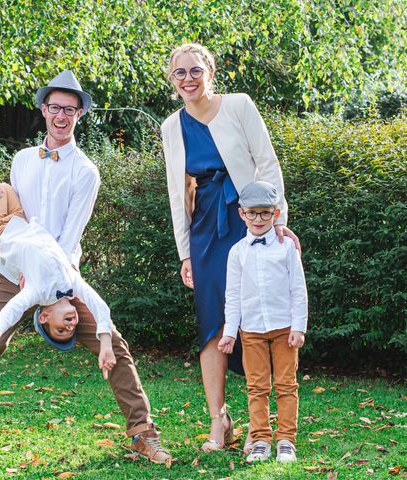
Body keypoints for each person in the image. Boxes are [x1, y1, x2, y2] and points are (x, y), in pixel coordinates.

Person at [0, 71, 171, 464]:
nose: (62, 116)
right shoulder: (20, 160)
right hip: (10, 274)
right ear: (44, 110)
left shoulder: (85, 171)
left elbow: (69, 237)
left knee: (113, 344)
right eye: (55, 108)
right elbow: (11, 210)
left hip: (59, 276)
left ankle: (142, 433)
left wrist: (55, 285)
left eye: (70, 110)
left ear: (80, 114)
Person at [160, 43, 300, 452]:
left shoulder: (239, 105)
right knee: (211, 324)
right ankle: (219, 421)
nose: (188, 79)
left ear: (210, 72)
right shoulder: (171, 127)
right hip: (205, 227)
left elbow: (267, 162)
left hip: (248, 221)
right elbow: (177, 192)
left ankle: (271, 424)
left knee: (259, 317)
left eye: (195, 70)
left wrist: (278, 222)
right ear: (172, 81)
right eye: (179, 73)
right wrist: (185, 250)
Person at [0, 182, 115, 376]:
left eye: (60, 330)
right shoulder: (72, 282)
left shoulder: (36, 291)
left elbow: (14, 308)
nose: (70, 326)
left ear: (44, 317)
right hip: (19, 222)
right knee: (5, 187)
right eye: (71, 330)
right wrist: (106, 344)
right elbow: (99, 305)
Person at [218, 181, 307, 463]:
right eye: (252, 213)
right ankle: (260, 439)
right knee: (257, 387)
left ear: (276, 213)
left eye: (265, 213)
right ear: (242, 213)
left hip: (284, 329)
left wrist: (298, 327)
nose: (258, 219)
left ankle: (286, 440)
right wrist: (230, 332)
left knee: (286, 384)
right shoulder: (237, 252)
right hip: (252, 331)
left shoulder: (286, 249)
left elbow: (298, 289)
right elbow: (232, 295)